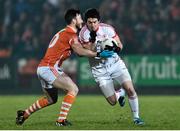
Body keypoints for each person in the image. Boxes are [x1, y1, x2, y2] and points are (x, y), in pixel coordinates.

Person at [16, 9, 114, 127]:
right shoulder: (70, 34)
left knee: (50, 99)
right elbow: (80, 51)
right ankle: (61, 121)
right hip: (49, 68)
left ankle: (24, 114)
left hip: (44, 68)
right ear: (73, 20)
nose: (82, 20)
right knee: (73, 89)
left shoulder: (65, 32)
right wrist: (98, 54)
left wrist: (93, 45)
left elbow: (79, 49)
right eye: (79, 17)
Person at [79, 8, 144, 125]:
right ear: (86, 22)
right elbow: (89, 51)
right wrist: (93, 40)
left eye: (95, 22)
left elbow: (120, 44)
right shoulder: (83, 33)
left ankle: (136, 117)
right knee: (113, 101)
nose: (93, 25)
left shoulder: (107, 29)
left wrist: (117, 48)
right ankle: (119, 93)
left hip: (115, 64)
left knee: (130, 89)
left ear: (99, 21)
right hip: (99, 69)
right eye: (90, 22)